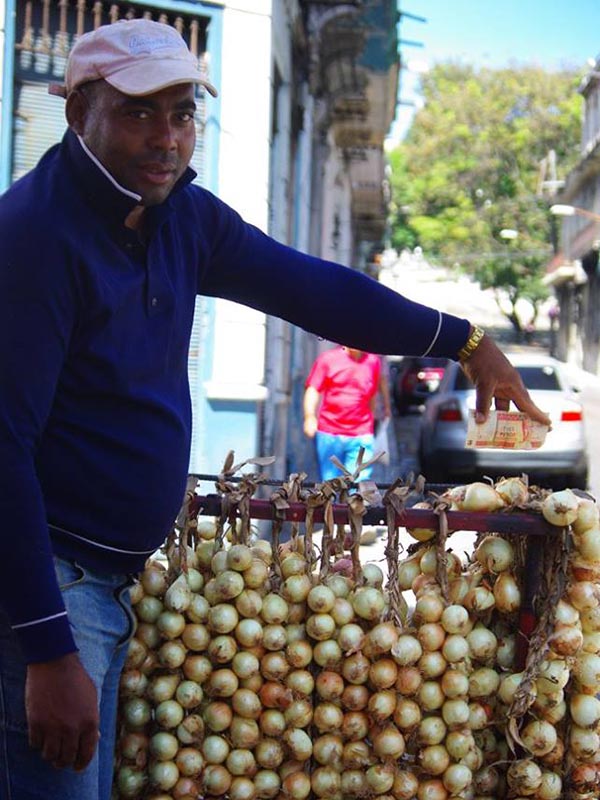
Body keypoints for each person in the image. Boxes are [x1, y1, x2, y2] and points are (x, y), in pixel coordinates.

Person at [0, 18, 550, 800]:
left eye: (184, 113)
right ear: (77, 109)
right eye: (138, 112)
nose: (167, 138)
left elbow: (310, 287)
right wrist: (49, 651)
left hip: (109, 584)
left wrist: (463, 340)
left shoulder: (180, 215)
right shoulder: (33, 238)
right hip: (50, 589)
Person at [303, 346, 391, 480]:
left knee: (358, 482)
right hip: (330, 432)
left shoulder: (373, 362)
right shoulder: (328, 359)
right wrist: (309, 418)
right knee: (330, 483)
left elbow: (372, 394)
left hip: (361, 434)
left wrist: (376, 416)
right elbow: (313, 389)